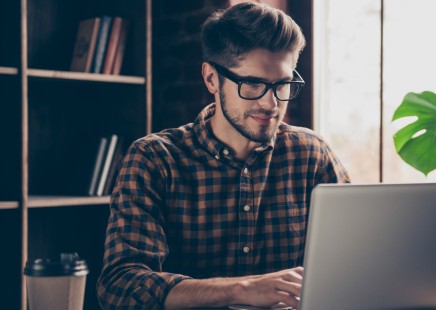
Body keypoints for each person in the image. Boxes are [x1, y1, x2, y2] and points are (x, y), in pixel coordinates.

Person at [97, 2, 350, 309]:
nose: (271, 103)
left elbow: (357, 261)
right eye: (253, 83)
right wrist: (240, 289)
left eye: (282, 85)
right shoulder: (153, 160)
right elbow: (120, 286)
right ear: (211, 79)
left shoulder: (313, 155)